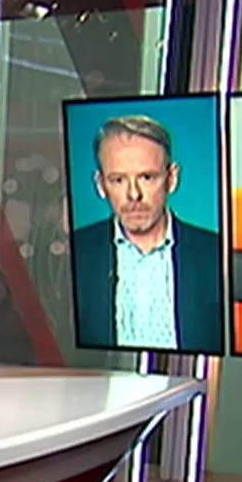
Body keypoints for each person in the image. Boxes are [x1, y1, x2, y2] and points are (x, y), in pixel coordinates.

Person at [70, 114, 224, 353]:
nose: (133, 195)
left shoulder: (217, 254)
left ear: (171, 179)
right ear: (100, 185)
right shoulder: (75, 253)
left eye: (147, 177)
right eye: (118, 180)